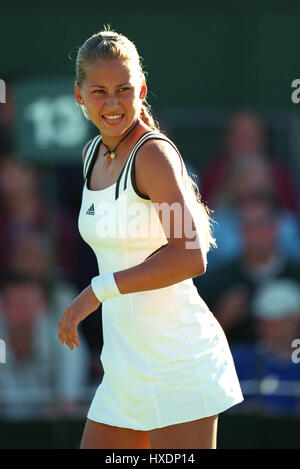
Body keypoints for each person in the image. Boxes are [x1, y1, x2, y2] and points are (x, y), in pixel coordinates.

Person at [57, 28, 243, 450]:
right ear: (79, 95)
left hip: (178, 365)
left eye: (124, 89)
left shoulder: (154, 155)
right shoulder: (91, 154)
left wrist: (95, 292)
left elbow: (191, 256)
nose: (113, 103)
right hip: (124, 372)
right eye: (99, 91)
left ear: (141, 89)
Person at [195, 197, 300, 344]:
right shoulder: (218, 279)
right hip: (234, 363)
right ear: (239, 233)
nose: (255, 234)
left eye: (260, 225)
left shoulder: (296, 275)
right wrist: (222, 318)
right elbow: (198, 338)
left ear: (276, 228)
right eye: (248, 227)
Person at [231, 278, 300, 415]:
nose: (271, 327)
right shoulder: (237, 360)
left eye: (280, 320)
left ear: (296, 320)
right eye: (265, 320)